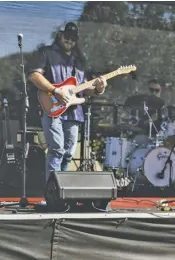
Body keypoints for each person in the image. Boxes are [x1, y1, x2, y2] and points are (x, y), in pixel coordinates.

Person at [27, 22, 107, 183]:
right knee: (56, 150)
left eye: (73, 38)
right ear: (60, 35)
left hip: (73, 111)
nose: (70, 40)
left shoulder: (79, 61)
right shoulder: (46, 53)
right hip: (53, 107)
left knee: (68, 153)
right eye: (67, 36)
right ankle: (51, 193)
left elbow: (84, 88)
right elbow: (34, 76)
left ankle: (61, 190)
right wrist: (55, 90)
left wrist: (98, 89)